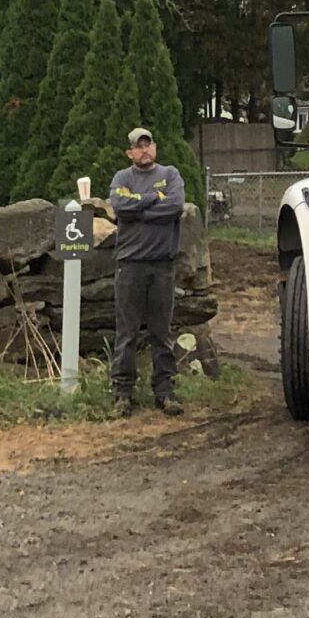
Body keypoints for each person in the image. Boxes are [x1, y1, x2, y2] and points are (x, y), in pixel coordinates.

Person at [106, 126, 187, 414]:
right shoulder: (122, 178)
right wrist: (154, 199)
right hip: (130, 266)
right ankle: (122, 394)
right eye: (137, 146)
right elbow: (119, 206)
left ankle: (165, 392)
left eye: (147, 144)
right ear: (130, 153)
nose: (144, 150)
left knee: (161, 333)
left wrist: (138, 209)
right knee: (126, 333)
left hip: (163, 266)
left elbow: (176, 206)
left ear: (154, 147)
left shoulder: (170, 175)